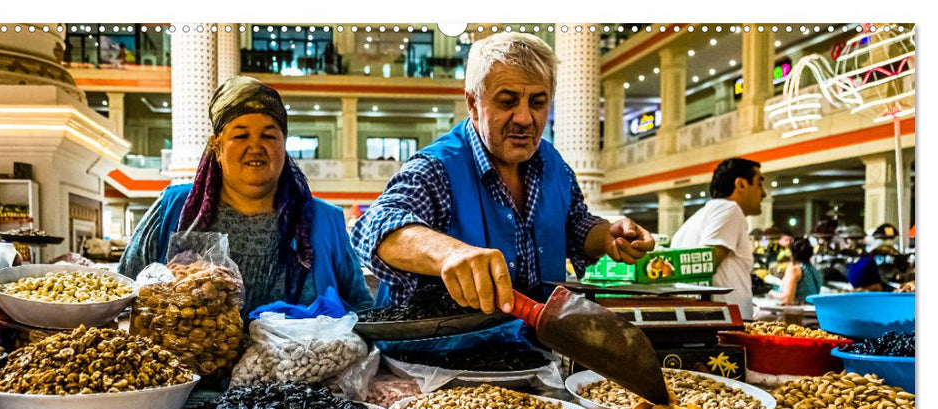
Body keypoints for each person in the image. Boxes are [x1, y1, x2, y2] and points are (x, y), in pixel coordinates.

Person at [350, 32, 654, 314]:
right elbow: (374, 226)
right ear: (472, 103)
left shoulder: (554, 164)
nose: (524, 118)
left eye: (538, 103)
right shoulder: (438, 167)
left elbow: (575, 223)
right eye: (507, 101)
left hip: (532, 351)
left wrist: (606, 235)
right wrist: (448, 253)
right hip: (434, 360)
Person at [119, 76, 372, 315]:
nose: (255, 147)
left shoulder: (324, 220)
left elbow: (361, 306)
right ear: (217, 146)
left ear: (283, 144)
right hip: (183, 361)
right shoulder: (174, 209)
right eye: (240, 135)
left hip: (302, 361)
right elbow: (122, 295)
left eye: (269, 136)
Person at [670, 158, 766, 319]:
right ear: (741, 184)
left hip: (703, 318)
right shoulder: (730, 209)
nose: (764, 193)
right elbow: (706, 263)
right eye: (759, 184)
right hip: (724, 321)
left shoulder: (695, 219)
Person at [779, 237, 823, 305]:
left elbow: (787, 299)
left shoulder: (794, 269)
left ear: (792, 253)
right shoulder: (815, 270)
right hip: (813, 312)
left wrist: (771, 294)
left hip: (798, 313)